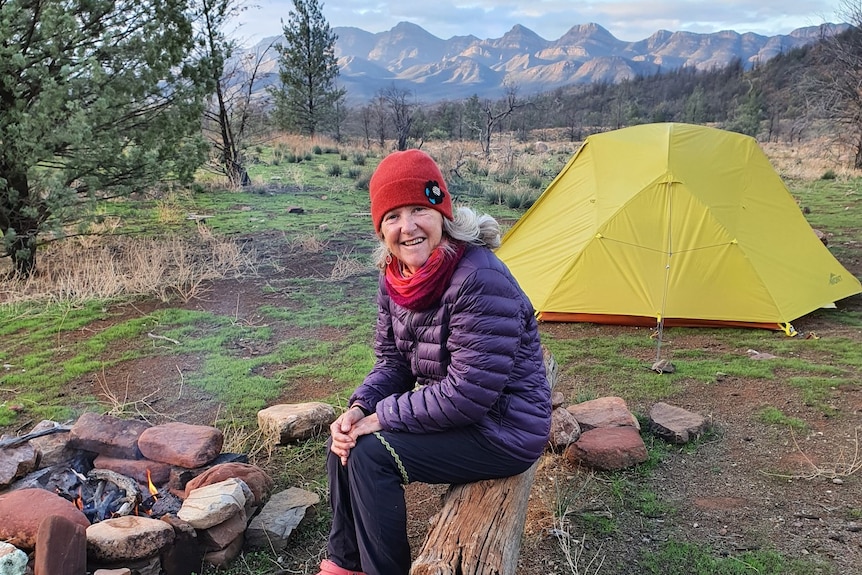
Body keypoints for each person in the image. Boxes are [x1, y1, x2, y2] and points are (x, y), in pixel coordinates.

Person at [318, 149, 551, 575]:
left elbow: (467, 392)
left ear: (441, 212)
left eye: (418, 210)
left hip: (503, 429)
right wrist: (359, 409)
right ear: (380, 228)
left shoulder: (478, 277)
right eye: (392, 216)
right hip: (467, 415)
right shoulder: (396, 277)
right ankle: (345, 563)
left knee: (373, 452)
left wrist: (382, 418)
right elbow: (393, 362)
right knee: (346, 441)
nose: (407, 227)